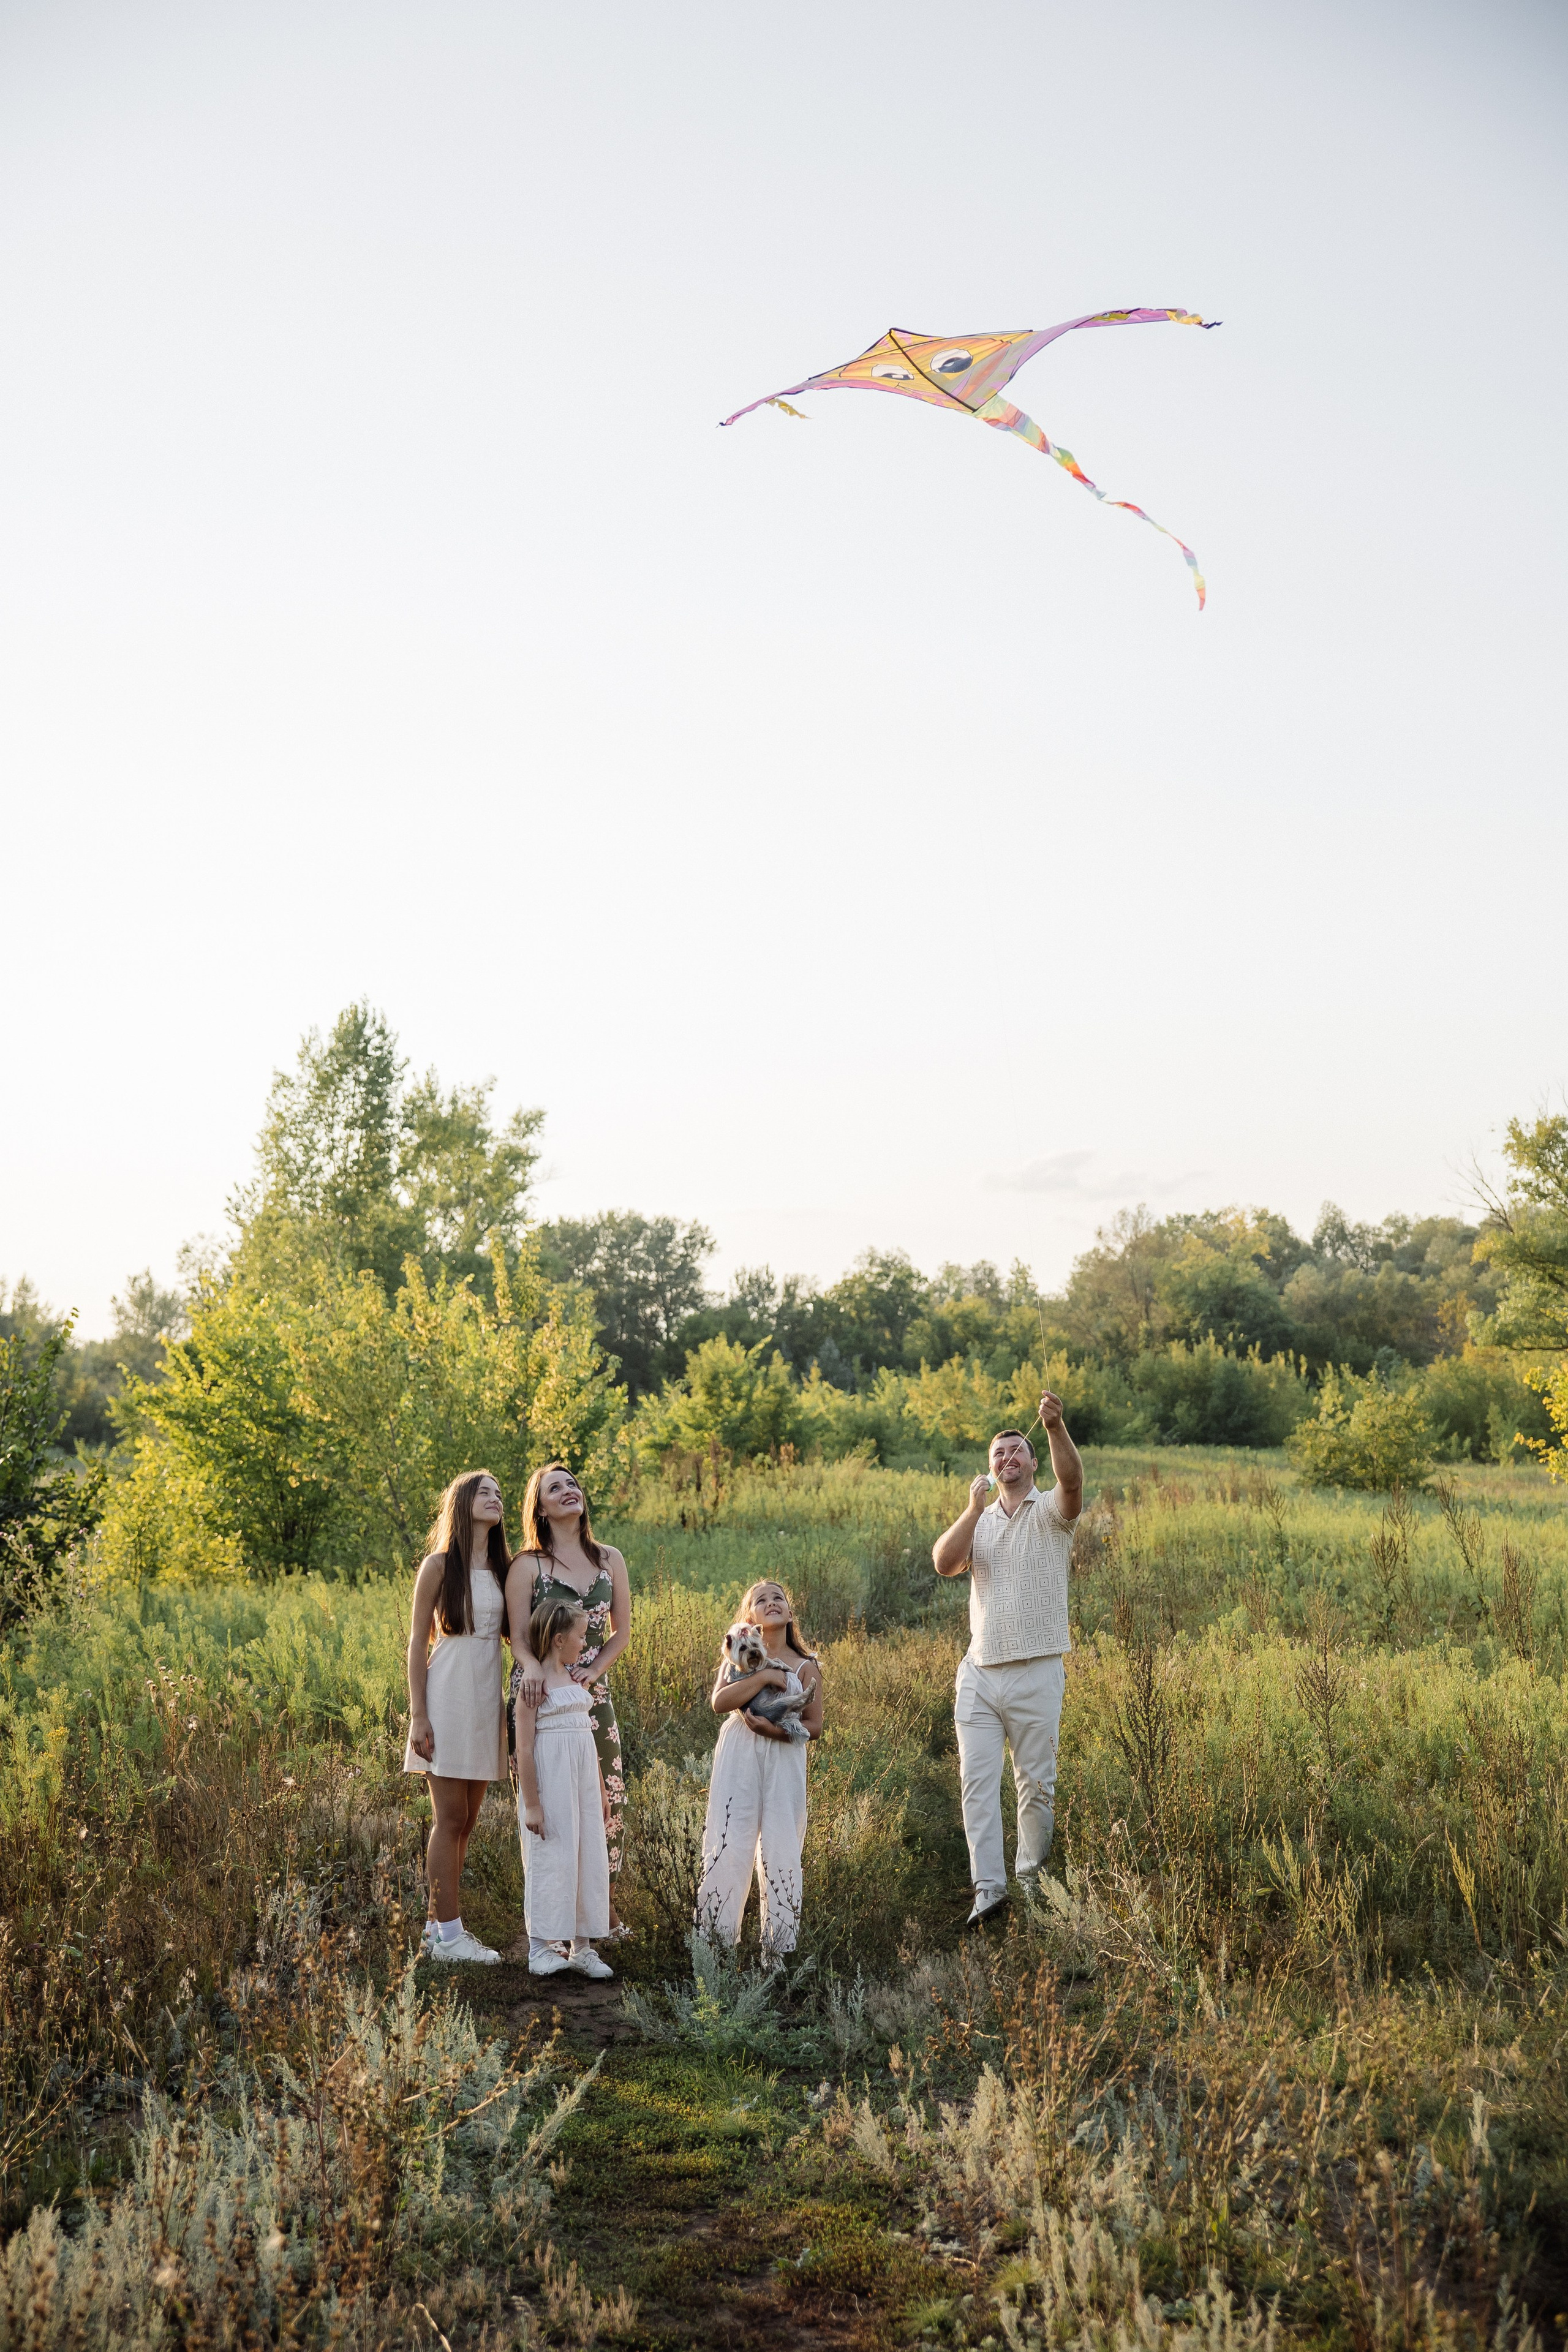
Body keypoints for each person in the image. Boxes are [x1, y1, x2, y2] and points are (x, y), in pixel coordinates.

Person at [932, 1399, 1083, 1926]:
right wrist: (972, 1510)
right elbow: (944, 1562)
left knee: (1036, 1784)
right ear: (990, 1467)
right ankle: (988, 1891)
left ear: (1033, 1463)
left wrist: (1054, 1426)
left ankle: (1030, 1882)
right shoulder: (980, 1520)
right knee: (976, 1782)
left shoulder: (1050, 1512)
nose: (1007, 1458)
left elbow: (1074, 1481)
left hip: (1036, 1670)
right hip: (978, 1672)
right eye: (998, 1454)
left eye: (1017, 1450)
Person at [506, 1464, 633, 1937]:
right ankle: (551, 1922)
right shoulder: (528, 1565)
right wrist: (536, 1670)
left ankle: (602, 1909)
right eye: (554, 1488)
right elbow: (517, 1637)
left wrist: (594, 1672)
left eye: (572, 1484)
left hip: (593, 1694)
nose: (567, 1491)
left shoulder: (609, 1558)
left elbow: (622, 1633)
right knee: (551, 1807)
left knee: (609, 1800)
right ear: (539, 1507)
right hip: (540, 1692)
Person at [404, 1468, 514, 1964]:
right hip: (447, 1694)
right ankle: (448, 1937)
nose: (496, 1499)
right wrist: (418, 1716)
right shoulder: (438, 1566)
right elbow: (415, 1643)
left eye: (499, 1494)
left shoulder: (504, 1567)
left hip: (486, 1699)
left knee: (467, 1820)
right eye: (485, 1492)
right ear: (463, 1501)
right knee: (449, 1817)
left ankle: (438, 1931)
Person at [696, 1579, 823, 1957]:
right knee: (729, 1839)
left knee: (781, 1843)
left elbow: (814, 1726)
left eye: (778, 1597)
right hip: (740, 1751)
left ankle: (779, 1952)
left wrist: (774, 1730)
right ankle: (715, 1945)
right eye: (761, 1600)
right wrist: (766, 1676)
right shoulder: (736, 1652)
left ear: (789, 1611)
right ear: (749, 1616)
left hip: (783, 1754)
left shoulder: (805, 1665)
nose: (771, 1603)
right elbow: (721, 1701)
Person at [516, 1595, 615, 1979]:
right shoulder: (534, 1686)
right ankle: (540, 1946)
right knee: (552, 1854)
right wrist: (533, 1804)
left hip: (583, 1782)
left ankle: (582, 1947)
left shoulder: (576, 1679)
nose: (585, 1643)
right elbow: (524, 1748)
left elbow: (587, 1738)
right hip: (551, 1779)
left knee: (586, 1852)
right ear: (559, 1640)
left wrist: (602, 1789)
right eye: (580, 1636)